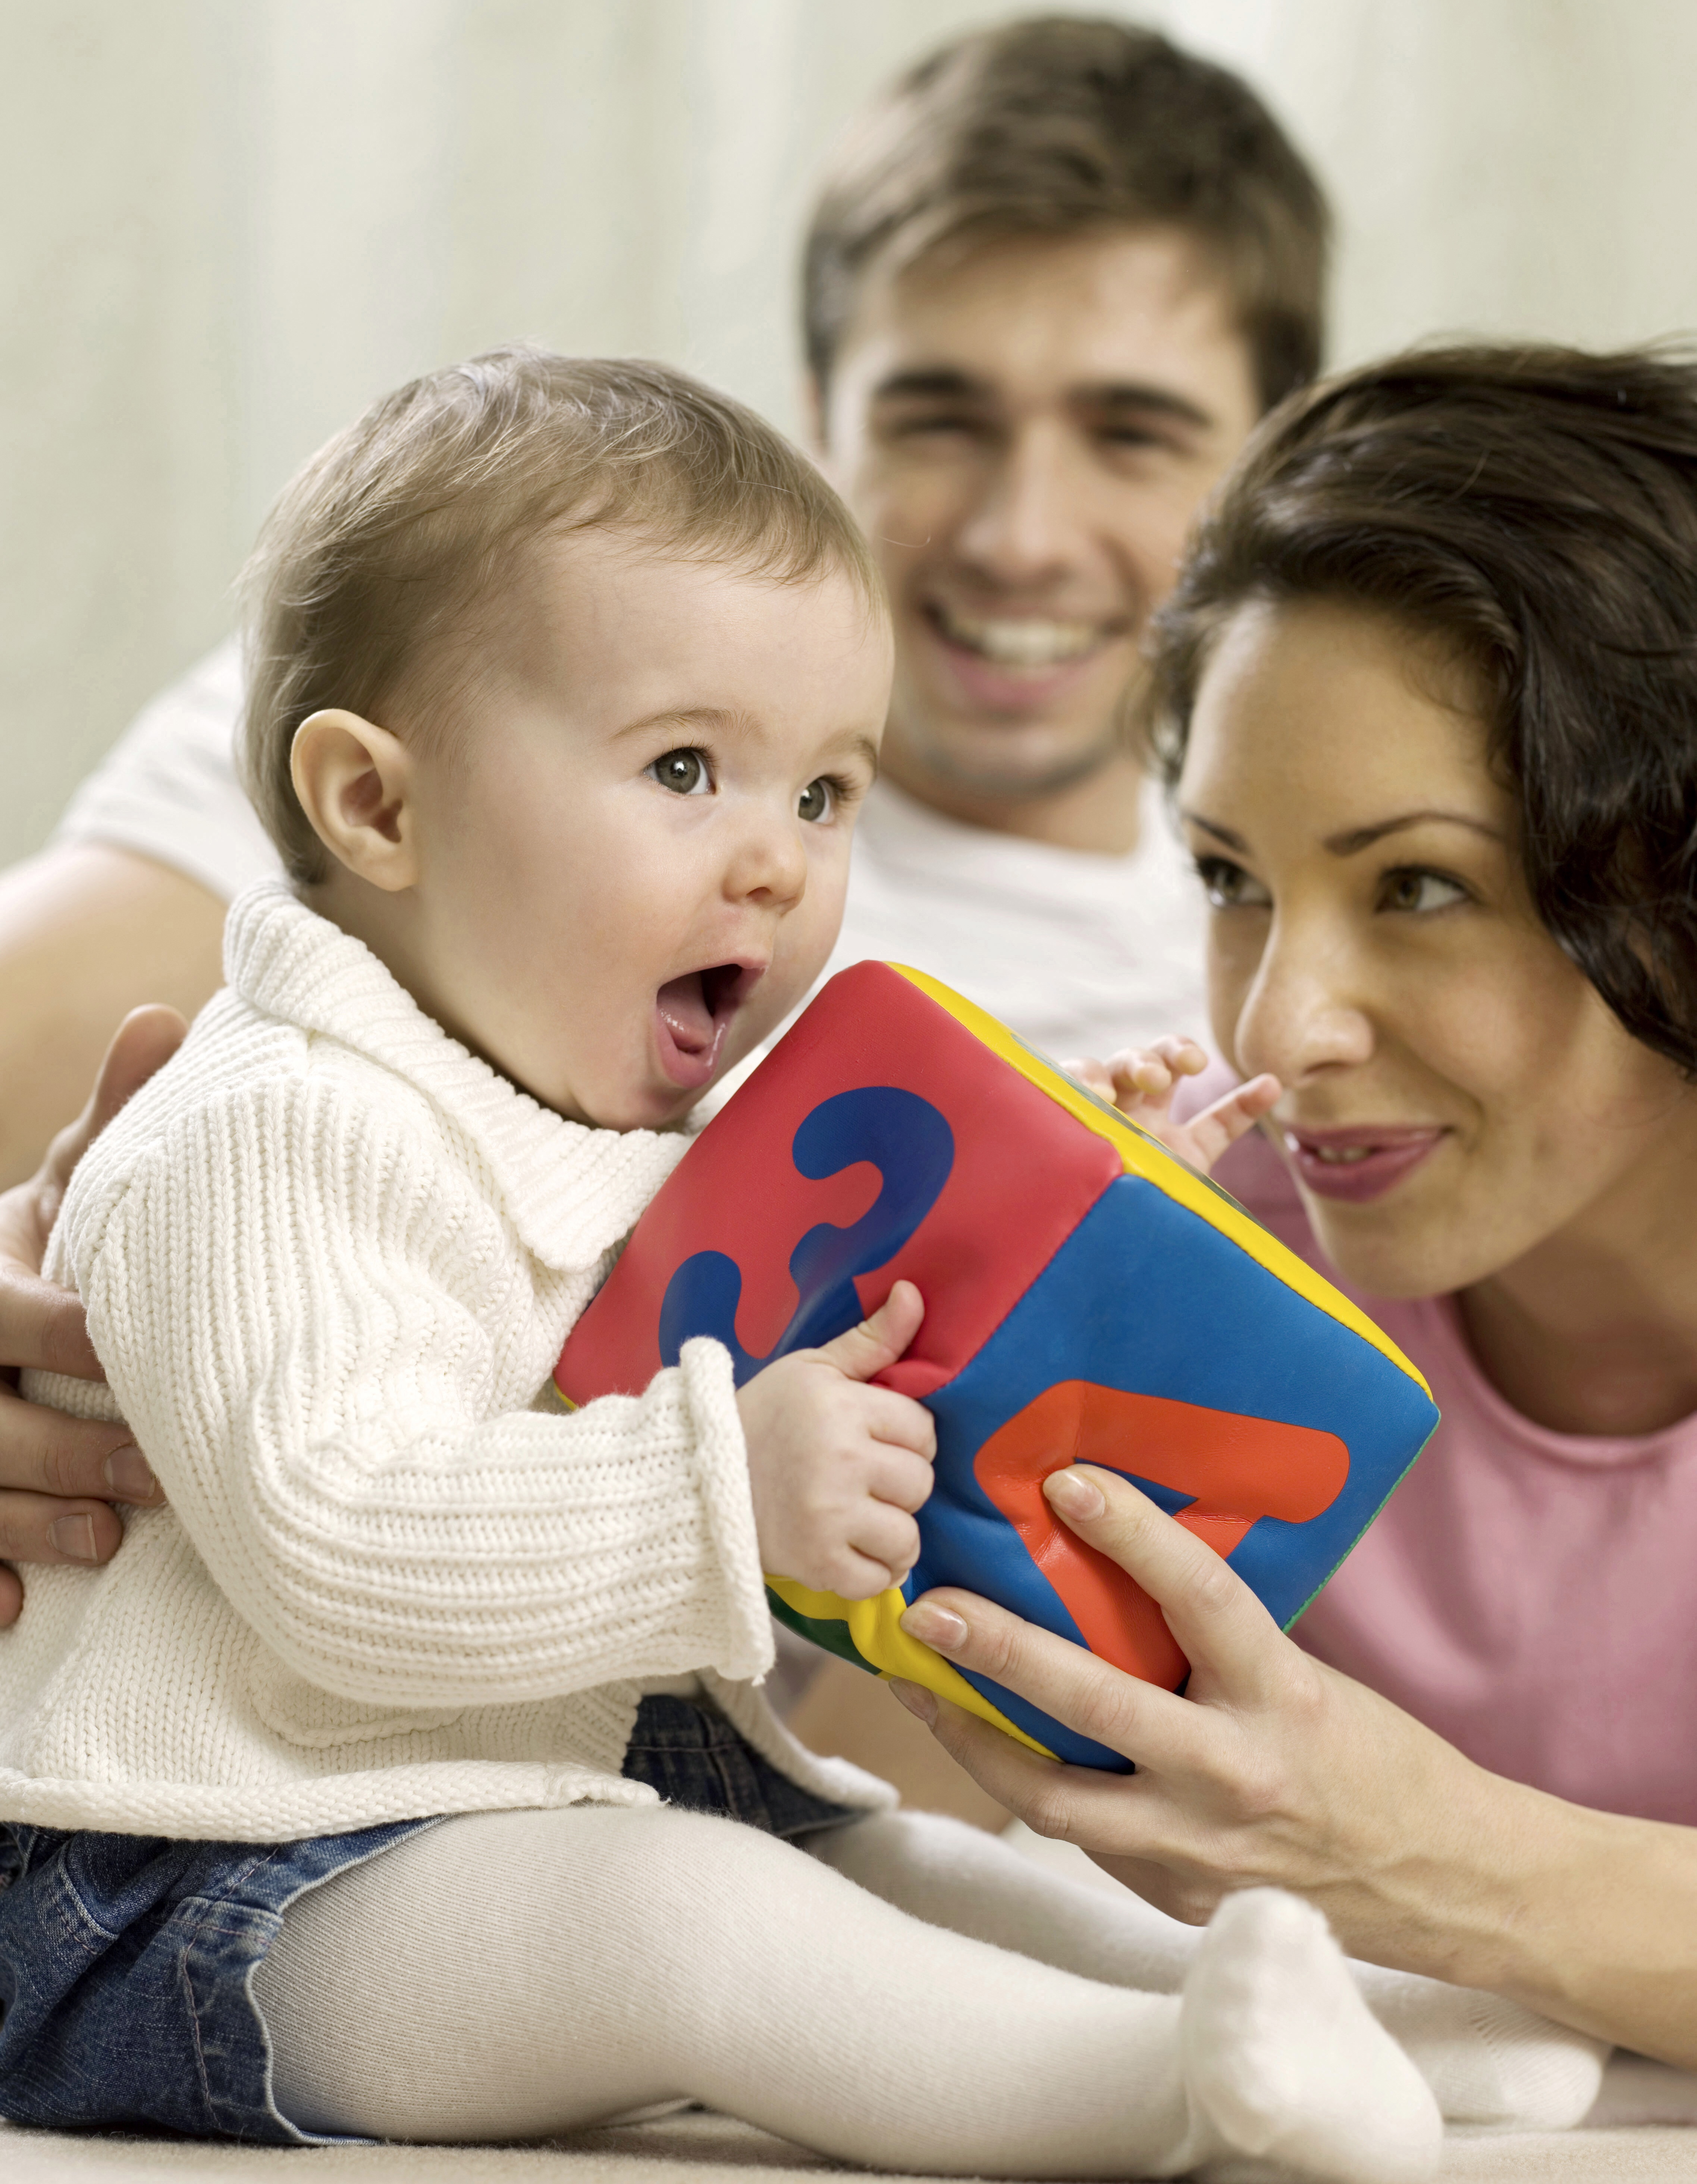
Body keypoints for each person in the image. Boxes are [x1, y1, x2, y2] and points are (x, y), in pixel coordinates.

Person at [0, 344, 1460, 2181]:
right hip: (196, 1880)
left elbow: (849, 1316)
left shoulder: (602, 1109)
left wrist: (1089, 1185)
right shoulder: (281, 1124)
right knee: (673, 1922)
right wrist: (725, 1486)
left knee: (903, 1860)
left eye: (826, 795)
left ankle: (1425, 2037)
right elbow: (337, 1539)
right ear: (377, 808)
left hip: (543, 1781)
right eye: (687, 769)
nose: (778, 862)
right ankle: (1168, 2096)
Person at [0, 18, 1330, 1658]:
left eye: (1131, 432)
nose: (1019, 535)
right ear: (818, 419)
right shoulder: (480, 681)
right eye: (936, 418)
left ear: (1270, 463)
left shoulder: (1267, 982)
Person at [879, 345, 1697, 2075]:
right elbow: (830, 1813)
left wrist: (1437, 1863)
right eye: (1233, 880)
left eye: (1419, 886)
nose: (1280, 1028)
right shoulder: (1183, 1240)